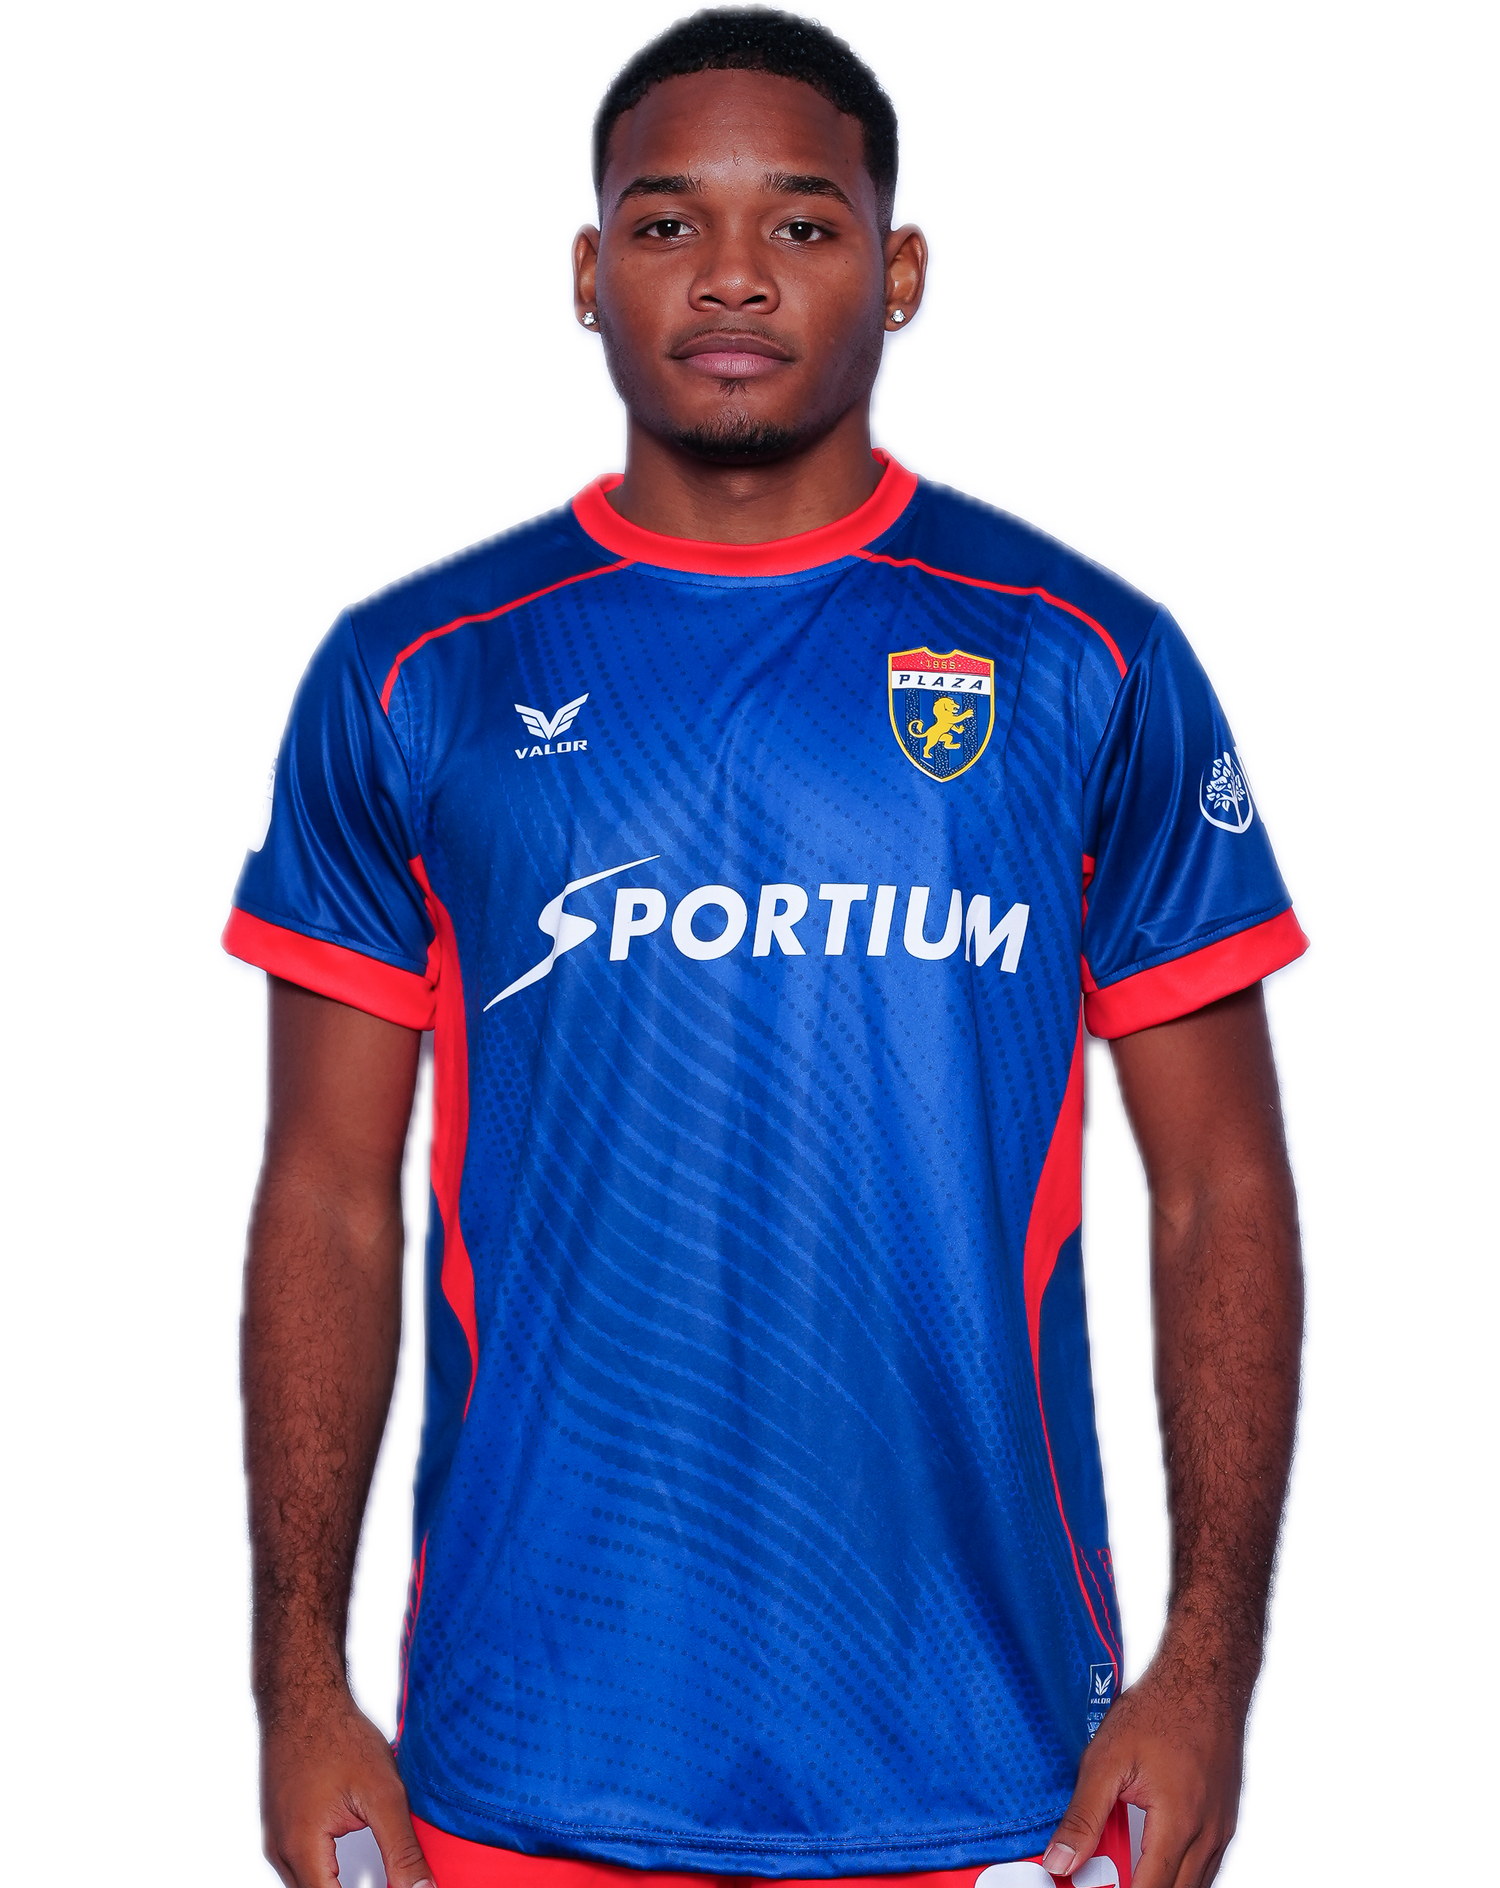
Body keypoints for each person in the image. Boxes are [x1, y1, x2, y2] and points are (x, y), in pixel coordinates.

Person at [217, 7, 1314, 1887]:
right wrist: (296, 1685)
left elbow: (1220, 1184)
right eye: (668, 223)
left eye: (803, 223)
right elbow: (321, 1190)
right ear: (587, 272)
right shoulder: (414, 665)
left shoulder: (1086, 651)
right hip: (520, 1762)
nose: (733, 274)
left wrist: (1210, 1669)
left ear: (903, 272)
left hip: (1002, 1773)